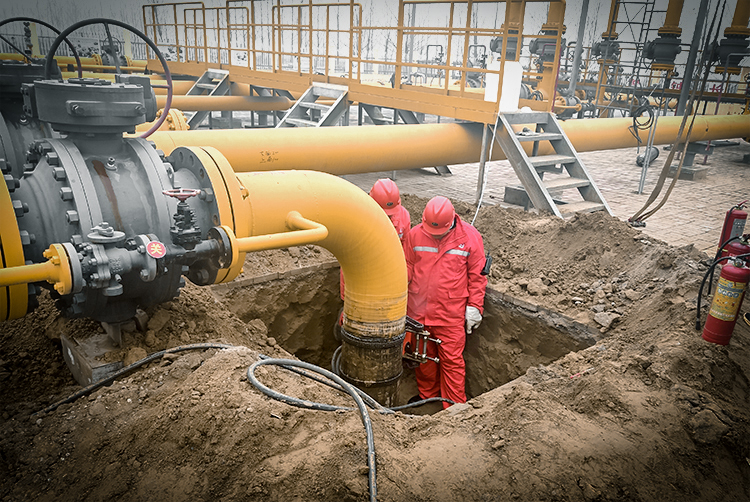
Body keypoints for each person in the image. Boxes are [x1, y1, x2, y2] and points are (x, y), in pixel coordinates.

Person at [403, 196, 487, 408]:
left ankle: (454, 407)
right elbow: (406, 267)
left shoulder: (470, 237)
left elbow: (477, 276)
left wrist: (475, 306)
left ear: (451, 222)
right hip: (418, 311)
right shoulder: (415, 234)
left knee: (451, 362)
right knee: (423, 357)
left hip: (450, 314)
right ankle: (427, 396)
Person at [338, 178, 411, 316]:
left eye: (390, 214)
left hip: (389, 277)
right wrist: (345, 299)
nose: (387, 216)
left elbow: (404, 255)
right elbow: (348, 261)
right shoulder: (357, 219)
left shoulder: (403, 217)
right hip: (364, 275)